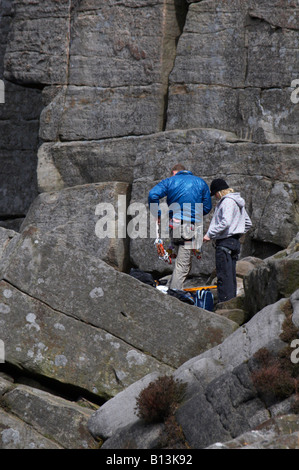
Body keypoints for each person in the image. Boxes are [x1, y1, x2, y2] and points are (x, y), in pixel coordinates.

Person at [148, 164, 212, 290]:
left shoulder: (170, 181)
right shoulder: (200, 183)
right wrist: (195, 214)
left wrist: (157, 214)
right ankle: (175, 295)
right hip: (189, 227)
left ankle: (171, 289)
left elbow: (152, 195)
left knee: (181, 262)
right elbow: (207, 207)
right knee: (183, 264)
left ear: (174, 172)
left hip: (174, 225)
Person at [203, 178, 252, 303]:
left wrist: (210, 234)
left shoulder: (227, 202)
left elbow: (225, 222)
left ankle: (224, 306)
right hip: (234, 243)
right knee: (230, 276)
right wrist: (237, 232)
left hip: (224, 242)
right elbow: (247, 223)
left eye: (214, 194)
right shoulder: (238, 202)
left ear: (219, 192)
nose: (215, 197)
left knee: (224, 276)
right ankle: (232, 304)